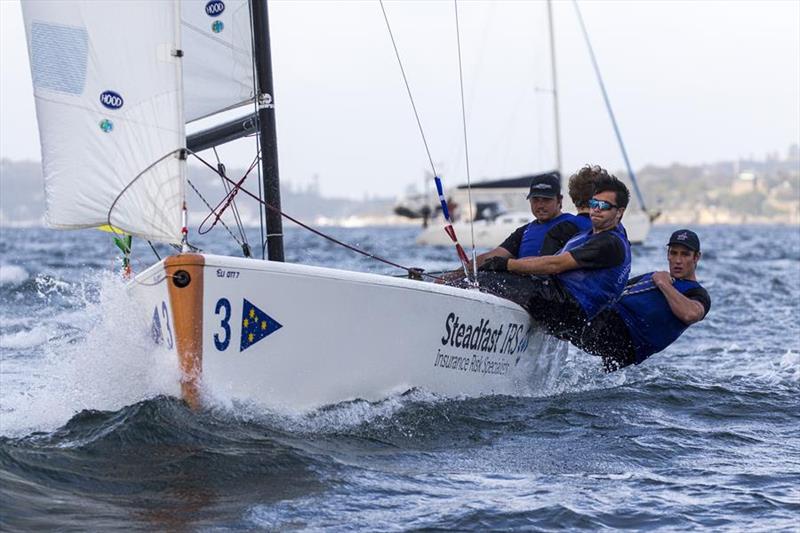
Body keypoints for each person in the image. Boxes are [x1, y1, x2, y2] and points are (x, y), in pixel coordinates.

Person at [475, 173, 632, 337]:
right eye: (594, 203)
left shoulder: (608, 243)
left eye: (605, 206)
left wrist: (505, 265)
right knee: (494, 278)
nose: (597, 209)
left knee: (486, 280)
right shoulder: (601, 233)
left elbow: (555, 264)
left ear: (619, 212)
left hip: (567, 307)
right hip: (564, 302)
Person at [570, 229, 711, 371]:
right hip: (606, 321)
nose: (678, 260)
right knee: (558, 315)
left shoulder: (697, 292)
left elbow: (690, 314)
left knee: (558, 316)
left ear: (696, 257)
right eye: (673, 253)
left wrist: (663, 284)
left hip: (627, 339)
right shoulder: (653, 276)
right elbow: (613, 290)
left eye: (685, 254)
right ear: (668, 255)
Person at [472, 173, 586, 268]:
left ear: (559, 200)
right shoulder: (524, 231)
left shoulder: (572, 225)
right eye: (535, 200)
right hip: (521, 283)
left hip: (550, 287)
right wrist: (461, 271)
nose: (540, 205)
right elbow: (493, 255)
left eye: (546, 200)